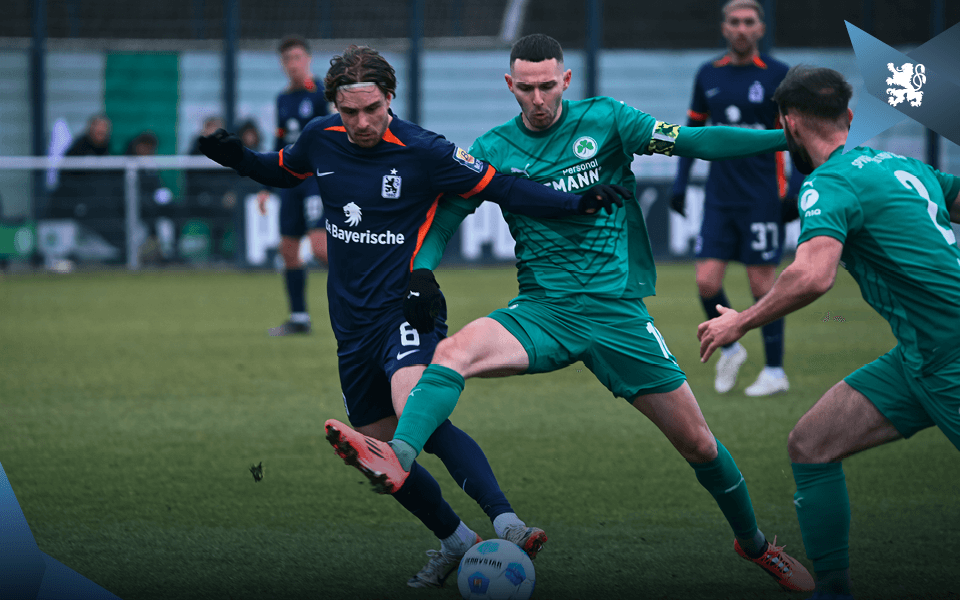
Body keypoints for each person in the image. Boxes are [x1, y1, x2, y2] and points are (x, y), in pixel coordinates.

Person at [324, 34, 815, 594]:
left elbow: (697, 140)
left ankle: (756, 547)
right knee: (450, 352)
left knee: (699, 444)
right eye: (526, 87)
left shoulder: (610, 120)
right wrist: (423, 270)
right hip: (542, 311)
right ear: (511, 86)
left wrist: (786, 138)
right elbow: (444, 217)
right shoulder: (493, 148)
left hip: (617, 316)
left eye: (547, 85)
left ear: (566, 81)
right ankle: (396, 456)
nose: (537, 98)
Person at [197, 44, 626, 589]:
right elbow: (284, 171)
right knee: (378, 451)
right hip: (349, 325)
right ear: (334, 106)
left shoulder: (425, 150)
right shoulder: (320, 139)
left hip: (407, 307)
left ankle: (509, 524)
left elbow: (501, 186)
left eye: (371, 108)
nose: (361, 122)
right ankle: (456, 542)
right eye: (349, 112)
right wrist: (236, 156)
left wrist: (573, 201)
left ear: (389, 98)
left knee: (414, 410)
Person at [697, 66, 960, 600]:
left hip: (951, 358)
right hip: (919, 358)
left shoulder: (829, 182)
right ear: (850, 116)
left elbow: (813, 275)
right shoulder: (903, 163)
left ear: (789, 124)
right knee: (812, 445)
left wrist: (739, 321)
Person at [670, 0, 805, 397]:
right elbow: (690, 132)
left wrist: (796, 188)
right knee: (706, 282)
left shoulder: (781, 76)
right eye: (734, 22)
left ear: (761, 28)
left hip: (763, 195)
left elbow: (798, 137)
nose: (742, 28)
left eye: (749, 22)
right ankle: (731, 347)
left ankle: (775, 372)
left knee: (762, 286)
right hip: (718, 197)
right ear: (724, 28)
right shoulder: (708, 74)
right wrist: (680, 182)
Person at [263, 35, 331, 336]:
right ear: (281, 64)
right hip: (290, 181)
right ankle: (299, 317)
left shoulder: (321, 94)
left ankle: (368, 301)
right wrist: (266, 184)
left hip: (316, 179)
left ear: (309, 60)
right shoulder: (283, 98)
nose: (293, 64)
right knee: (288, 249)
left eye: (298, 57)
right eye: (287, 59)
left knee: (321, 249)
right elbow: (279, 142)